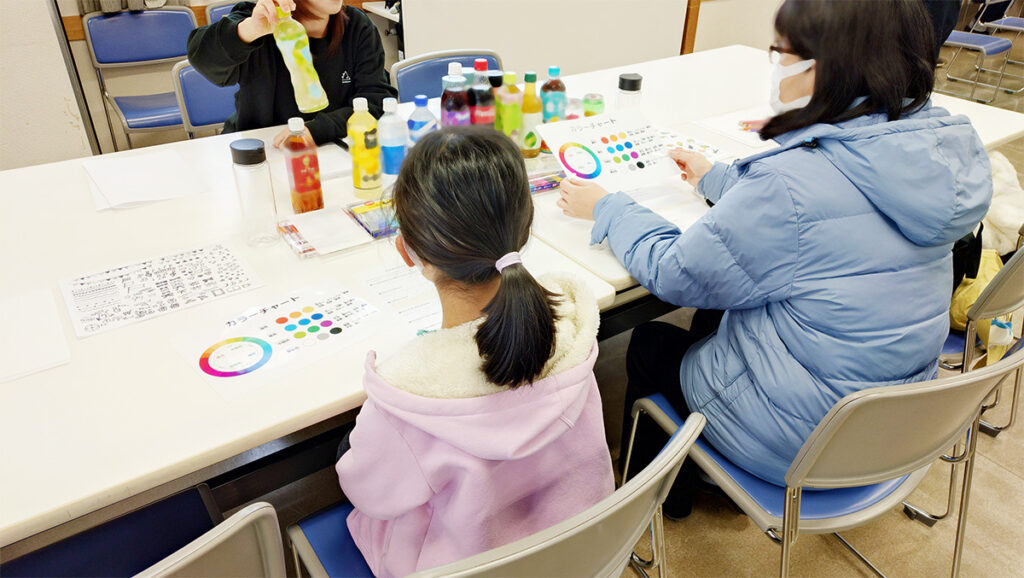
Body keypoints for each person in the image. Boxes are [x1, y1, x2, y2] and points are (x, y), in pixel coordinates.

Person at [558, 0, 992, 518]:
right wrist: (716, 178)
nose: (776, 65)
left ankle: (658, 503)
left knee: (652, 341)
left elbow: (675, 271)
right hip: (894, 424)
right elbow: (829, 206)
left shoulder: (790, 184)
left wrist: (609, 207)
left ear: (823, 67)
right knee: (718, 315)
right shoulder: (926, 148)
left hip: (802, 442)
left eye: (781, 52)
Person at [336, 127, 615, 576]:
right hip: (577, 556)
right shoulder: (573, 329)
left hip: (460, 565)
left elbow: (368, 493)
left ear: (407, 252)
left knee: (343, 455)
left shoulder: (405, 399)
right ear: (524, 231)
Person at [187, 0, 397, 147]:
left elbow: (376, 101)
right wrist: (251, 30)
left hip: (333, 149)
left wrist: (316, 130)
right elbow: (201, 57)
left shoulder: (357, 25)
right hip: (264, 151)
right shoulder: (256, 18)